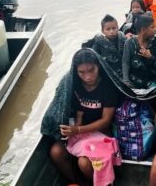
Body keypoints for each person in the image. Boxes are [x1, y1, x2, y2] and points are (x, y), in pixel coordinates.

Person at [49, 49, 119, 186]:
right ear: (76, 71)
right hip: (79, 130)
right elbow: (72, 108)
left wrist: (78, 130)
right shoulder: (73, 84)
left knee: (84, 163)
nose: (87, 76)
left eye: (91, 70)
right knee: (56, 152)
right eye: (82, 72)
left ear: (98, 66)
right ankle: (81, 183)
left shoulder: (108, 87)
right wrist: (71, 128)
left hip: (100, 133)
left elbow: (106, 120)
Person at [122, 15, 156, 89]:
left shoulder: (154, 43)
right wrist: (126, 80)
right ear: (143, 30)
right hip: (134, 80)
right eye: (152, 27)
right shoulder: (129, 43)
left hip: (151, 81)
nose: (155, 29)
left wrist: (151, 57)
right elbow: (125, 62)